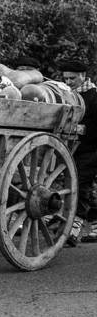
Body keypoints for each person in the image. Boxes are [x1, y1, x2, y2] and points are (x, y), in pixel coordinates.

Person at [58, 60, 97, 246]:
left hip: (89, 148)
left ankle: (73, 229)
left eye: (72, 78)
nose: (68, 82)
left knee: (81, 184)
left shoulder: (94, 95)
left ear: (83, 76)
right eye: (65, 78)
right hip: (69, 147)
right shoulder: (65, 93)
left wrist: (82, 130)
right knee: (76, 186)